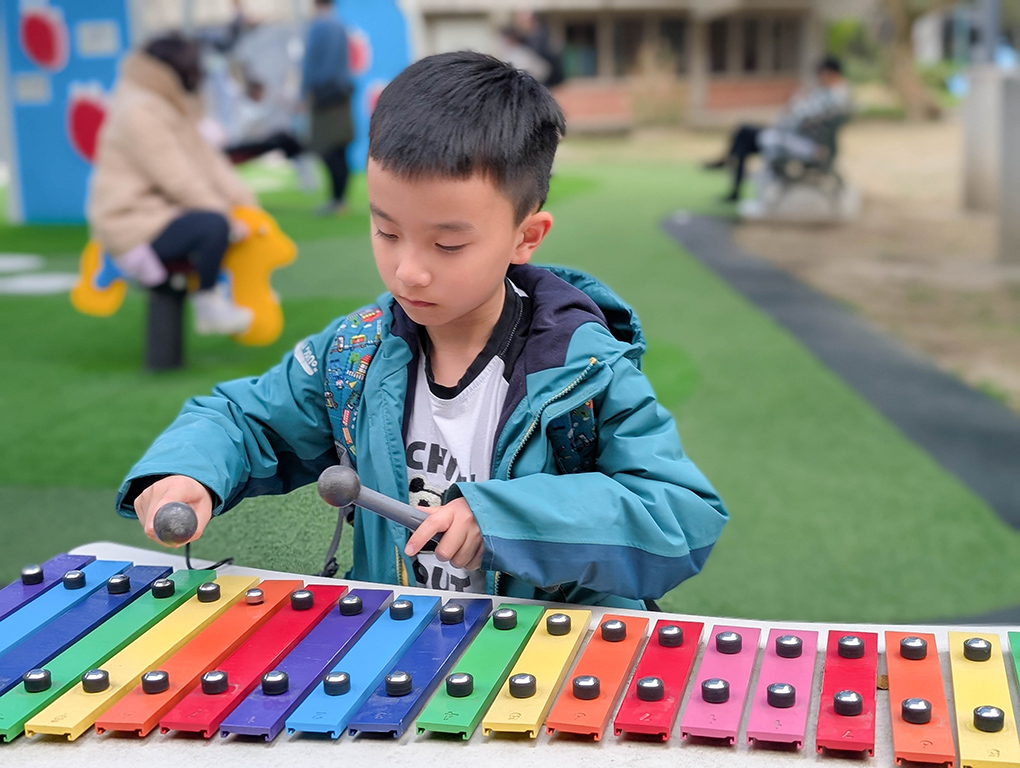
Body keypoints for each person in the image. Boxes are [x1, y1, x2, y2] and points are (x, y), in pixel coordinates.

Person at [117, 51, 728, 609]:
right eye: (386, 232)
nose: (408, 270)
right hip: (396, 641)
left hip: (549, 653)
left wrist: (508, 519)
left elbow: (679, 519)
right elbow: (243, 418)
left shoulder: (585, 372)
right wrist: (188, 470)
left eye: (448, 243)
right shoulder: (355, 354)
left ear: (525, 237)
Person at [87, 34, 256, 335]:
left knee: (221, 224)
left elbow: (210, 162)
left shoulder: (163, 102)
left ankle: (226, 295)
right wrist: (227, 216)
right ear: (175, 73)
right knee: (213, 225)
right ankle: (208, 305)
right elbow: (176, 178)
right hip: (131, 224)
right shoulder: (140, 110)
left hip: (157, 215)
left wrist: (247, 206)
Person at [704, 56, 853, 202]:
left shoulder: (834, 96)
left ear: (829, 73)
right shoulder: (832, 93)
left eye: (820, 74)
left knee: (744, 134)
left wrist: (797, 100)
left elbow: (801, 116)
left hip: (800, 142)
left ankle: (729, 165)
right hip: (795, 136)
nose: (819, 78)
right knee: (743, 136)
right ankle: (731, 169)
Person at [301, 0, 354, 216]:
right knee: (340, 150)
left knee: (328, 149)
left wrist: (303, 93)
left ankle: (336, 200)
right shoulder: (340, 26)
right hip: (342, 94)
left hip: (324, 97)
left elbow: (310, 65)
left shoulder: (319, 26)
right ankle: (340, 200)